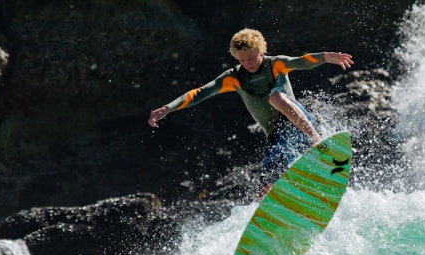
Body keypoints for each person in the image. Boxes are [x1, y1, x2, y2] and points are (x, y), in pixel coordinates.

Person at [148, 28, 353, 198]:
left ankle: (318, 142)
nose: (248, 63)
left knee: (276, 98)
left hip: (299, 124)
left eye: (251, 58)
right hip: (277, 138)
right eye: (242, 59)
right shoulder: (235, 77)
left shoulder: (275, 64)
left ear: (261, 52)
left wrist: (326, 57)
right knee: (266, 187)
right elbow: (200, 93)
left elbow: (301, 61)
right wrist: (168, 108)